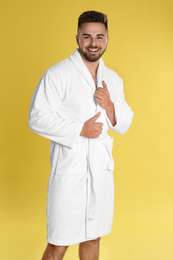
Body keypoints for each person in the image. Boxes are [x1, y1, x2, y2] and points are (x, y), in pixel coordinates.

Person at [28, 10, 134, 260]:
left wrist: (110, 106)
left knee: (93, 237)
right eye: (87, 37)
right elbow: (36, 117)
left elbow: (125, 123)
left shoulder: (113, 79)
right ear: (77, 39)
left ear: (107, 39)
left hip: (100, 172)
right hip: (70, 172)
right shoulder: (57, 74)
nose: (93, 43)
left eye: (99, 36)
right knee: (59, 242)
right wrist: (79, 129)